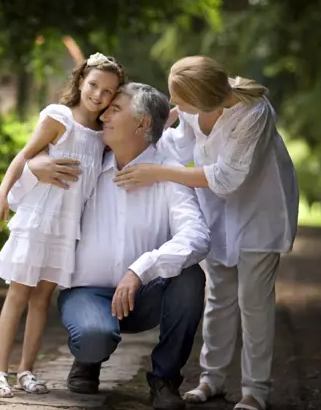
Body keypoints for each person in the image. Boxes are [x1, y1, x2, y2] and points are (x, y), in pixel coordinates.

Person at [9, 82, 211, 410]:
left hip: (143, 295)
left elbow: (198, 236)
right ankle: (89, 359)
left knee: (190, 279)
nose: (104, 115)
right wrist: (34, 168)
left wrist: (140, 269)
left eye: (115, 109)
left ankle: (164, 380)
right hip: (86, 292)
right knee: (93, 339)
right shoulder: (86, 161)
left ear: (143, 122)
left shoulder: (166, 170)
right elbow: (20, 200)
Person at [113, 56, 299, 410]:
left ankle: (255, 391)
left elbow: (227, 178)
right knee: (219, 298)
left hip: (260, 211)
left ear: (203, 97)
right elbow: (171, 143)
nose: (175, 105)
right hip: (218, 212)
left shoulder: (253, 113)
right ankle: (211, 380)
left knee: (254, 302)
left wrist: (158, 173)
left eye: (179, 99)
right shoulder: (196, 107)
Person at [0, 52, 125, 398]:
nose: (98, 95)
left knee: (42, 300)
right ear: (80, 81)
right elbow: (23, 156)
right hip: (39, 218)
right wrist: (1, 197)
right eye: (93, 85)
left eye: (108, 91)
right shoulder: (59, 118)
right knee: (18, 294)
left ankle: (26, 371)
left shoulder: (102, 135)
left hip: (67, 228)